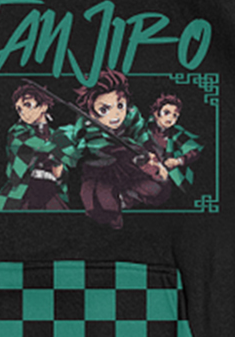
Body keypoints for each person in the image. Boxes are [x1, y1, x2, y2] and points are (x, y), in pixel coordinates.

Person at [73, 69, 170, 229]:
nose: (115, 115)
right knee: (100, 210)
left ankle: (124, 199)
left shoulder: (131, 114)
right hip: (101, 172)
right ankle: (113, 206)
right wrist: (138, 154)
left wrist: (154, 159)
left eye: (120, 105)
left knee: (159, 189)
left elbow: (143, 136)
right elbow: (100, 149)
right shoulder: (86, 125)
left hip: (130, 170)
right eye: (104, 109)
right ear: (91, 110)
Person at [0, 83, 80, 210]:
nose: (23, 113)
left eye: (27, 105)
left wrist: (59, 162)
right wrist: (66, 151)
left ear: (44, 106)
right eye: (19, 109)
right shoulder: (17, 132)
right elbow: (39, 146)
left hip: (50, 192)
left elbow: (60, 173)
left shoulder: (55, 135)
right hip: (23, 192)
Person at [148, 93, 203, 189]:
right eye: (166, 113)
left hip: (169, 180)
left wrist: (178, 161)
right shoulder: (144, 128)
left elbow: (195, 151)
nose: (170, 118)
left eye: (175, 115)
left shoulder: (174, 132)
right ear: (157, 113)